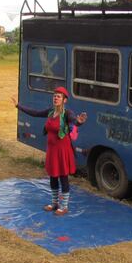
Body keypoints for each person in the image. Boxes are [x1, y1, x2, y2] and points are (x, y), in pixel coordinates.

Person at [12, 86, 86, 215]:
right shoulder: (51, 112)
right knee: (53, 176)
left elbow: (74, 121)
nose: (56, 98)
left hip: (62, 150)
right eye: (54, 96)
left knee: (63, 177)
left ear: (64, 100)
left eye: (59, 96)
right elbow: (35, 113)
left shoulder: (68, 114)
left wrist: (79, 122)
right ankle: (54, 203)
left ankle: (64, 206)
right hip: (52, 150)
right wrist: (19, 106)